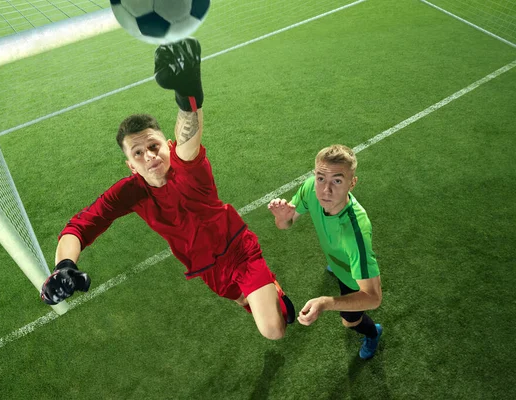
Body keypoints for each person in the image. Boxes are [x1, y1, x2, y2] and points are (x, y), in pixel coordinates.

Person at [40, 38, 294, 340]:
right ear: (131, 166)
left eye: (153, 145)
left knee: (273, 330)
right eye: (138, 153)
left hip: (239, 251)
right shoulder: (129, 192)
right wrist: (65, 266)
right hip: (204, 267)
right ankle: (264, 298)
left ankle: (272, 296)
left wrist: (187, 94)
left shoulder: (187, 168)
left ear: (167, 146)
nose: (149, 155)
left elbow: (189, 141)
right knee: (242, 300)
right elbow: (79, 227)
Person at [268, 144, 383, 358]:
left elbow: (373, 298)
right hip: (339, 260)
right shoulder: (311, 188)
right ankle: (335, 264)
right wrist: (282, 218)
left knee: (349, 321)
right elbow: (286, 224)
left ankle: (373, 332)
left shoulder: (355, 233)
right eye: (321, 178)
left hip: (351, 279)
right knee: (338, 260)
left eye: (337, 181)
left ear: (352, 183)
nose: (325, 190)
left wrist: (324, 302)